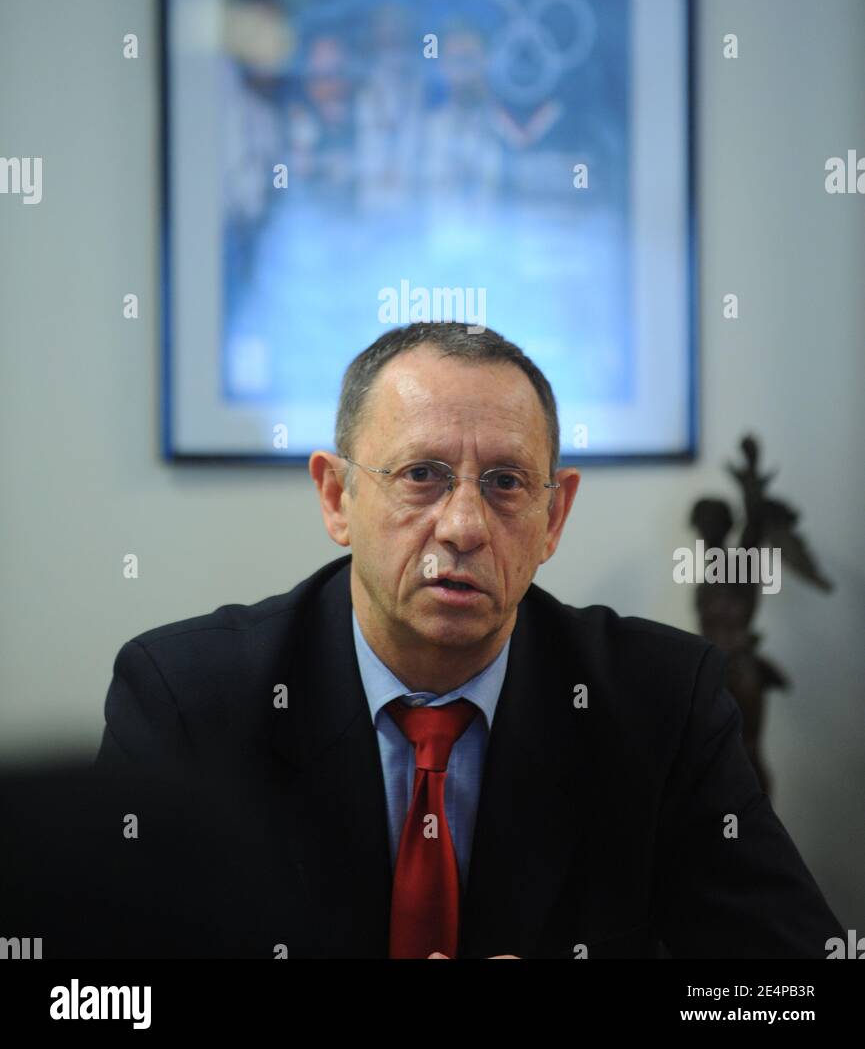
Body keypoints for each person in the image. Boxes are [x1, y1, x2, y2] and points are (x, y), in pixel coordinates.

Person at [95, 322, 844, 959]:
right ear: (336, 497)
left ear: (554, 517)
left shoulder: (660, 705)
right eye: (420, 475)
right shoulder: (186, 699)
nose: (461, 527)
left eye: (506, 482)